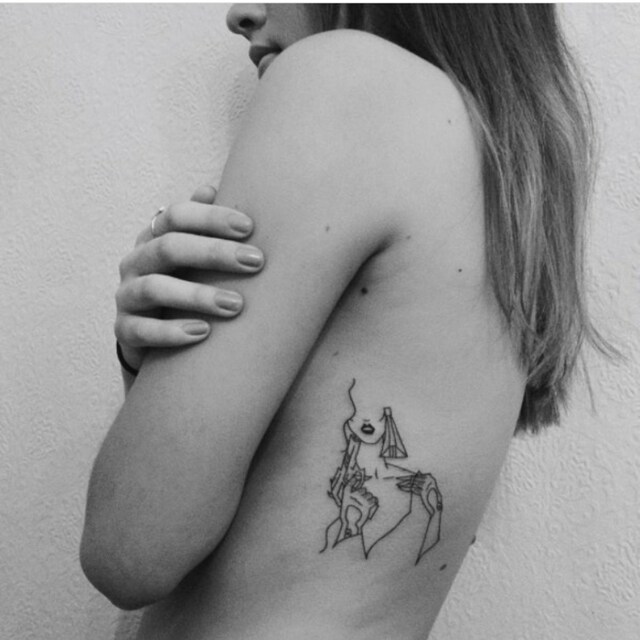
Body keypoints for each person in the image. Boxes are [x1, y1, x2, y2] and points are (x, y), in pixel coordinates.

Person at [80, 5, 606, 639]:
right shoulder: (503, 177)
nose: (241, 12)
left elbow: (129, 552)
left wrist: (146, 357)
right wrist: (150, 348)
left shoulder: (346, 80)